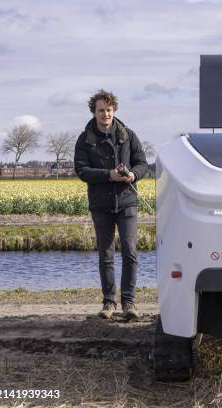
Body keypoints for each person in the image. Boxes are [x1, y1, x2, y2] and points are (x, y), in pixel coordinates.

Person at [74, 89, 148, 320]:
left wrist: (133, 175)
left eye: (108, 109)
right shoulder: (84, 139)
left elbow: (142, 163)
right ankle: (109, 304)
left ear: (113, 110)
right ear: (94, 112)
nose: (105, 113)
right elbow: (82, 170)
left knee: (130, 251)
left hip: (127, 203)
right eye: (100, 110)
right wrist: (108, 175)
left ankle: (129, 303)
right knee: (105, 254)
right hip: (101, 205)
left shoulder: (128, 135)